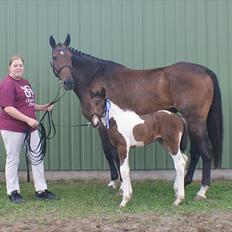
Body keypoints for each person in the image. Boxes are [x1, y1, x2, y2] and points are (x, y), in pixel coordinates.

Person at [0, 55, 56, 203]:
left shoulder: (25, 83)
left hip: (30, 127)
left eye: (20, 65)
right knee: (13, 159)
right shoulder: (7, 84)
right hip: (12, 128)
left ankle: (41, 190)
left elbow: (28, 105)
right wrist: (28, 120)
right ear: (10, 67)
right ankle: (13, 192)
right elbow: (8, 108)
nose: (18, 68)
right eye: (15, 65)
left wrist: (43, 107)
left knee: (37, 158)